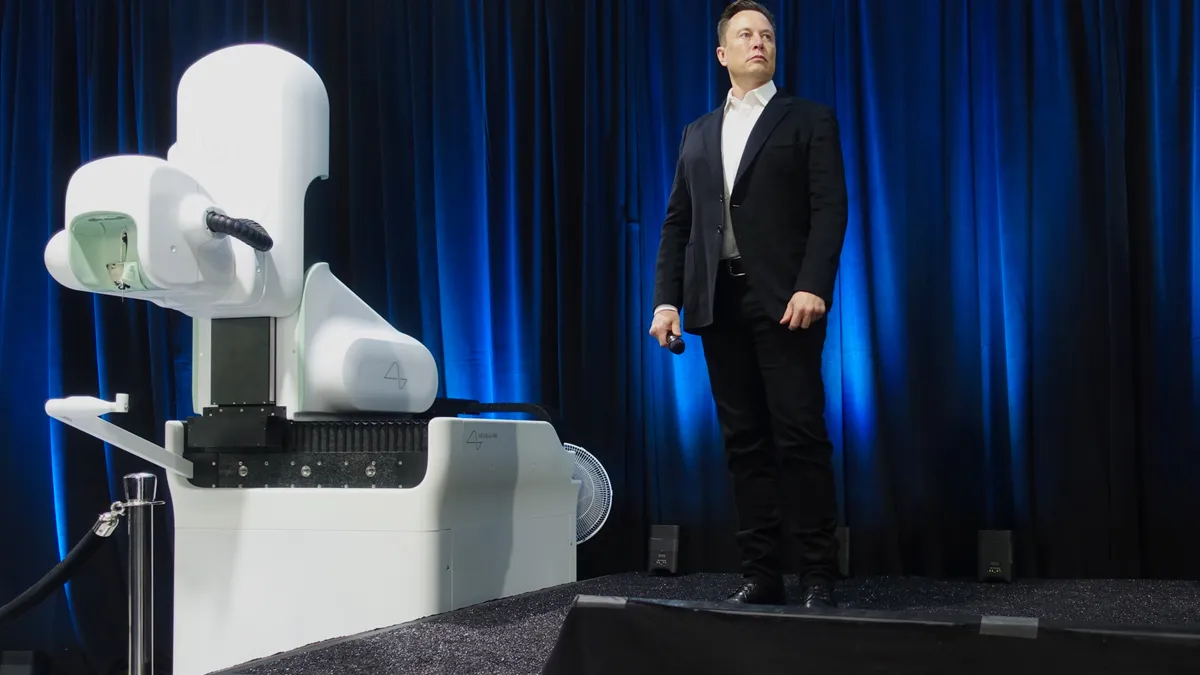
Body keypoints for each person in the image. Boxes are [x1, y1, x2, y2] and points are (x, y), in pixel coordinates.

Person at [649, 0, 848, 608]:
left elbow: (830, 209)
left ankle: (818, 574)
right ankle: (762, 575)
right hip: (719, 304)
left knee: (799, 437)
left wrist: (813, 284)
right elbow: (678, 224)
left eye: (766, 34)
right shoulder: (698, 133)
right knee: (744, 444)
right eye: (745, 34)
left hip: (786, 301)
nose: (758, 42)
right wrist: (666, 303)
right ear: (723, 54)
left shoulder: (808, 119)